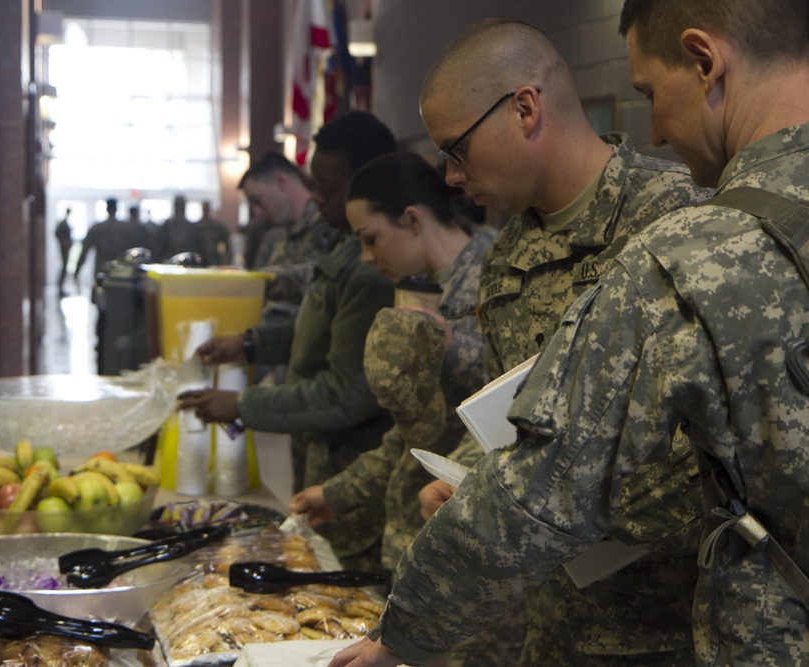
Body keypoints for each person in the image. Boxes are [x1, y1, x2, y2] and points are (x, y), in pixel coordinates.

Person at [329, 3, 809, 666]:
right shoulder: (507, 262)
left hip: (674, 628)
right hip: (558, 621)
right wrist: (479, 473)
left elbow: (559, 474)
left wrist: (410, 629)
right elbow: (523, 426)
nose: (658, 132)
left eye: (456, 150)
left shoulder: (686, 237)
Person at [288, 151, 512, 655]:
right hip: (416, 534)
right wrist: (341, 492)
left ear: (412, 219)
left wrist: (454, 347)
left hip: (470, 544)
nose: (367, 257)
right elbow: (412, 433)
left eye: (370, 239)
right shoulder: (417, 292)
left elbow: (517, 412)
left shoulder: (496, 282)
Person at [178, 111, 399, 572]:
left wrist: (243, 404)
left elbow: (345, 395)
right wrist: (251, 344)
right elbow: (318, 331)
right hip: (321, 463)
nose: (316, 199)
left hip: (351, 477)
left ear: (365, 182)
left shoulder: (371, 267)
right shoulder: (346, 247)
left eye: (328, 188)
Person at [239, 151, 339, 317]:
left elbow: (328, 288)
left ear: (280, 181)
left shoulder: (331, 223)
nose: (256, 212)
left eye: (257, 200)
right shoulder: (276, 236)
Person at [73, 197, 133, 284]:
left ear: (107, 209)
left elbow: (84, 251)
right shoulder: (125, 228)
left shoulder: (97, 228)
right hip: (121, 272)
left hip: (101, 270)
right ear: (116, 209)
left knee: (99, 294)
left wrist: (77, 271)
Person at [156, 194, 201, 262]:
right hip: (170, 263)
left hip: (187, 264)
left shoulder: (192, 227)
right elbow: (161, 247)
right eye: (179, 205)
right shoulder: (167, 225)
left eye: (181, 205)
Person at [196, 201, 231, 265]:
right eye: (205, 209)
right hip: (200, 260)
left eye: (207, 209)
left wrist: (225, 262)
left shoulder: (217, 227)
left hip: (215, 260)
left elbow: (226, 246)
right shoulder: (197, 227)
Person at [55, 207, 73, 296]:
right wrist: (63, 242)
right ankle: (60, 288)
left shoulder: (64, 222)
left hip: (66, 248)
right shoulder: (63, 223)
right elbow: (57, 233)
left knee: (64, 267)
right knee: (64, 268)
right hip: (64, 249)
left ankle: (61, 287)